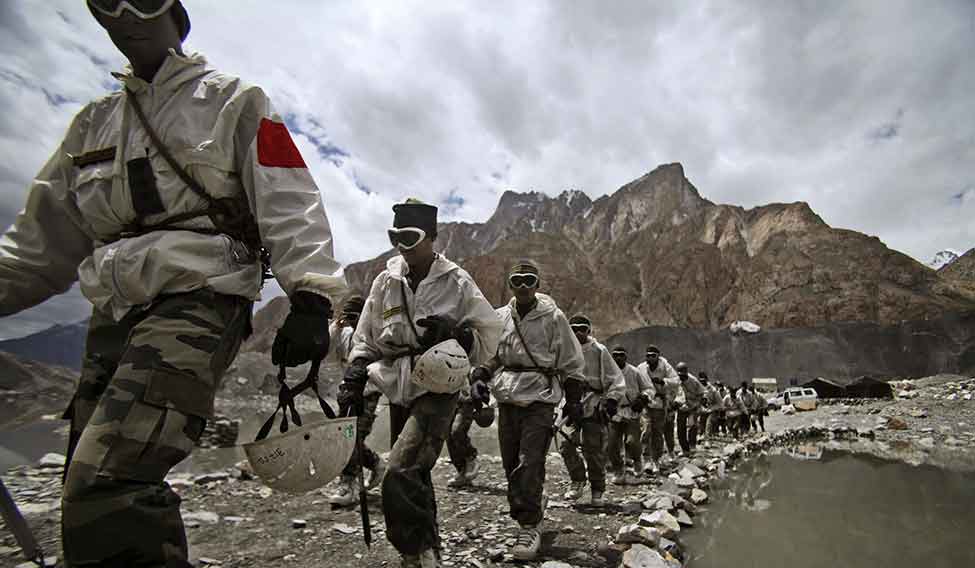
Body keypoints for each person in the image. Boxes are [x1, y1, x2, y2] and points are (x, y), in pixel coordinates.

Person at [0, 2, 347, 565]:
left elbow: (289, 197)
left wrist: (310, 295)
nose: (124, 15)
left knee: (109, 479)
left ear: (174, 10)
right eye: (106, 3)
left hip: (200, 295)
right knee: (81, 485)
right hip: (113, 308)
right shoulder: (90, 125)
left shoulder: (237, 101)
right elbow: (36, 249)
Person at [338, 199, 502, 568]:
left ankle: (413, 550)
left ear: (432, 237)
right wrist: (355, 373)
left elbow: (490, 333)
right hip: (398, 384)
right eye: (395, 236)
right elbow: (366, 336)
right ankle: (429, 549)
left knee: (399, 470)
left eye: (410, 236)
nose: (402, 245)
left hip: (440, 387)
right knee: (416, 473)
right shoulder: (385, 281)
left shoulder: (456, 281)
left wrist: (458, 335)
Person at [469, 260, 584, 561]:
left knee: (529, 461)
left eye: (528, 279)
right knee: (511, 464)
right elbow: (493, 356)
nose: (522, 286)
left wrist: (573, 398)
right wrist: (481, 374)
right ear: (510, 284)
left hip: (540, 398)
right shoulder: (500, 317)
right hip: (507, 396)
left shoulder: (554, 317)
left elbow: (570, 359)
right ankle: (532, 502)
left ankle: (529, 524)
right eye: (516, 280)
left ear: (537, 284)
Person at [558, 315, 626, 507]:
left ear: (589, 330)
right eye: (574, 328)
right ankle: (578, 480)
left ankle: (597, 490)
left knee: (593, 450)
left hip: (593, 404)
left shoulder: (599, 350)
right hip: (570, 403)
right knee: (566, 444)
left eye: (583, 328)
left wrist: (612, 400)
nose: (578, 332)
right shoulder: (563, 349)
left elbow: (616, 379)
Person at [330, 295, 387, 505]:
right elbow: (326, 349)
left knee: (352, 438)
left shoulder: (375, 334)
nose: (353, 322)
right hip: (347, 394)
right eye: (349, 317)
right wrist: (337, 325)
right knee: (343, 437)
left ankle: (348, 484)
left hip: (369, 395)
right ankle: (375, 463)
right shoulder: (343, 334)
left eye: (356, 317)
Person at [606, 346, 653, 485]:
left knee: (632, 441)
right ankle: (618, 471)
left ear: (626, 357)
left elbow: (649, 388)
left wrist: (643, 398)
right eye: (615, 355)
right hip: (614, 412)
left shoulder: (634, 371)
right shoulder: (608, 372)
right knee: (612, 444)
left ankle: (637, 461)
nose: (618, 358)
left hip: (632, 411)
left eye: (621, 355)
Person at [637, 345, 677, 469]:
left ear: (658, 356)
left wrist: (663, 381)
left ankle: (656, 459)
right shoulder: (641, 368)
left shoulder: (665, 366)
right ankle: (646, 458)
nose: (650, 358)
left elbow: (676, 380)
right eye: (648, 355)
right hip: (646, 403)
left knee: (657, 433)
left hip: (660, 403)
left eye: (653, 355)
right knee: (646, 430)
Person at [445, 378, 480, 488]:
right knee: (448, 437)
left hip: (466, 398)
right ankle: (462, 473)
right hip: (448, 397)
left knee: (457, 431)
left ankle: (471, 457)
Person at [675, 362, 705, 456]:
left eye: (683, 375)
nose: (681, 377)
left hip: (693, 406)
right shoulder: (676, 380)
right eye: (679, 375)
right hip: (682, 407)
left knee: (692, 425)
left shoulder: (694, 381)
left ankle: (692, 446)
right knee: (680, 428)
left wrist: (697, 405)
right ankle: (684, 449)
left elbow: (701, 394)